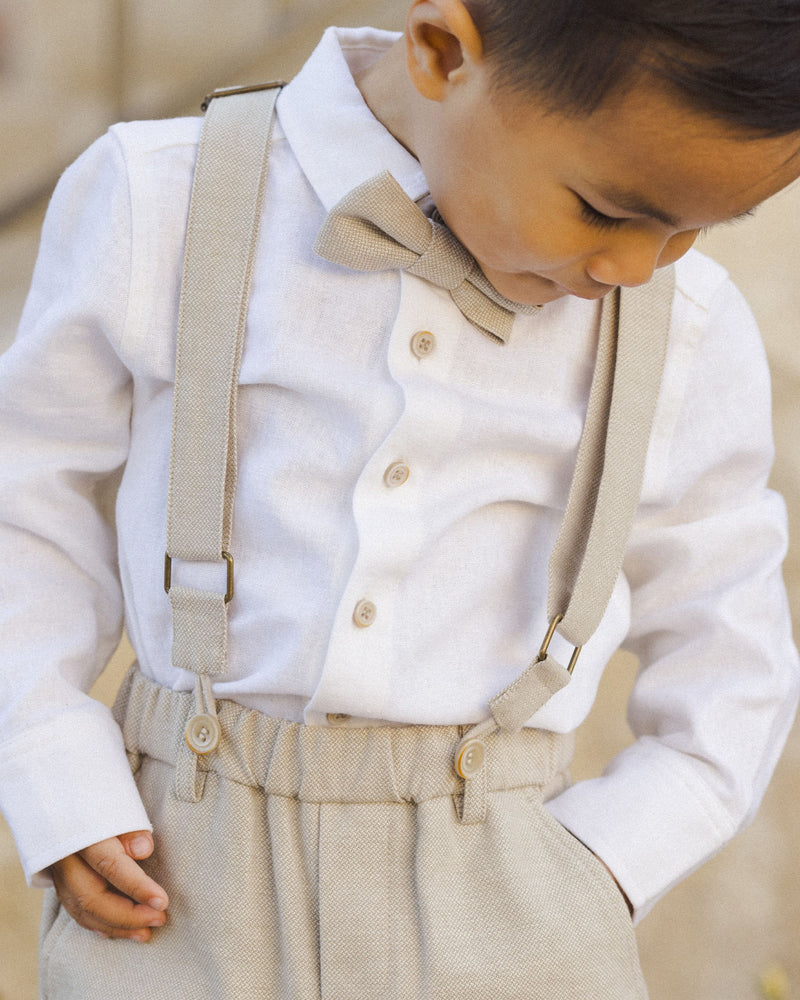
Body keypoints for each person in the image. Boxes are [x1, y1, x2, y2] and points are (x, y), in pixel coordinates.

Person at [1, 0, 799, 996]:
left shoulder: (684, 331)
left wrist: (596, 868)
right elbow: (26, 507)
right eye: (605, 209)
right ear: (439, 53)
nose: (631, 268)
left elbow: (733, 646)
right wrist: (50, 760)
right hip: (175, 876)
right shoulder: (159, 199)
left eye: (685, 228)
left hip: (507, 904)